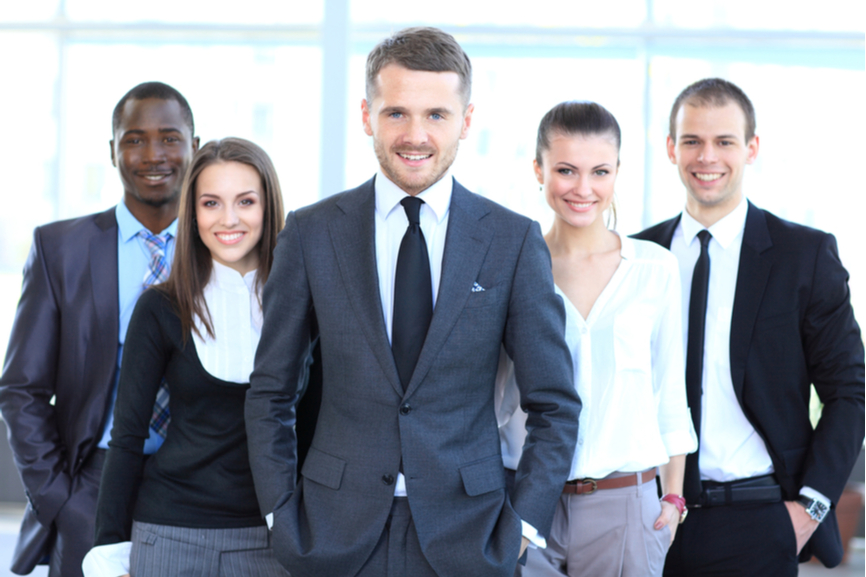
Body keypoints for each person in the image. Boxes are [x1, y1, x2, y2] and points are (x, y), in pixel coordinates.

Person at [245, 26, 581, 577]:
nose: (415, 135)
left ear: (466, 121)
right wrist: (281, 518)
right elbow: (270, 393)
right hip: (332, 535)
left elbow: (554, 405)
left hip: (469, 538)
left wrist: (521, 527)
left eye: (437, 115)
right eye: (396, 113)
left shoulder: (511, 240)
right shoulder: (311, 233)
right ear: (366, 115)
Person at [634, 78, 865, 575]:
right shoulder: (637, 257)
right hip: (647, 518)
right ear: (671, 148)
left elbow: (850, 390)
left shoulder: (803, 256)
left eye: (725, 141)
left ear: (752, 148)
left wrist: (810, 510)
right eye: (692, 140)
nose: (706, 156)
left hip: (758, 520)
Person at [0, 82, 198, 577]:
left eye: (170, 138)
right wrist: (60, 498)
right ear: (112, 151)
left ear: (195, 146)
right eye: (134, 139)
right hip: (93, 482)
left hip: (202, 485)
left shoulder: (227, 246)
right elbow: (21, 389)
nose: (153, 155)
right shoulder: (60, 248)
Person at [497, 101, 697, 577]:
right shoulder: (508, 268)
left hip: (624, 505)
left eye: (600, 172)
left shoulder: (654, 269)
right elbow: (491, 399)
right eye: (566, 170)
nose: (583, 189)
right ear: (538, 170)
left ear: (617, 173)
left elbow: (669, 394)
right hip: (523, 503)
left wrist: (672, 499)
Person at [81, 137, 289, 576]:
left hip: (274, 542)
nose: (228, 219)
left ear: (268, 207)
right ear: (192, 214)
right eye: (211, 203)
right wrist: (108, 547)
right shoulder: (160, 307)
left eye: (246, 201)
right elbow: (128, 436)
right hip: (169, 534)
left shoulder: (303, 305)